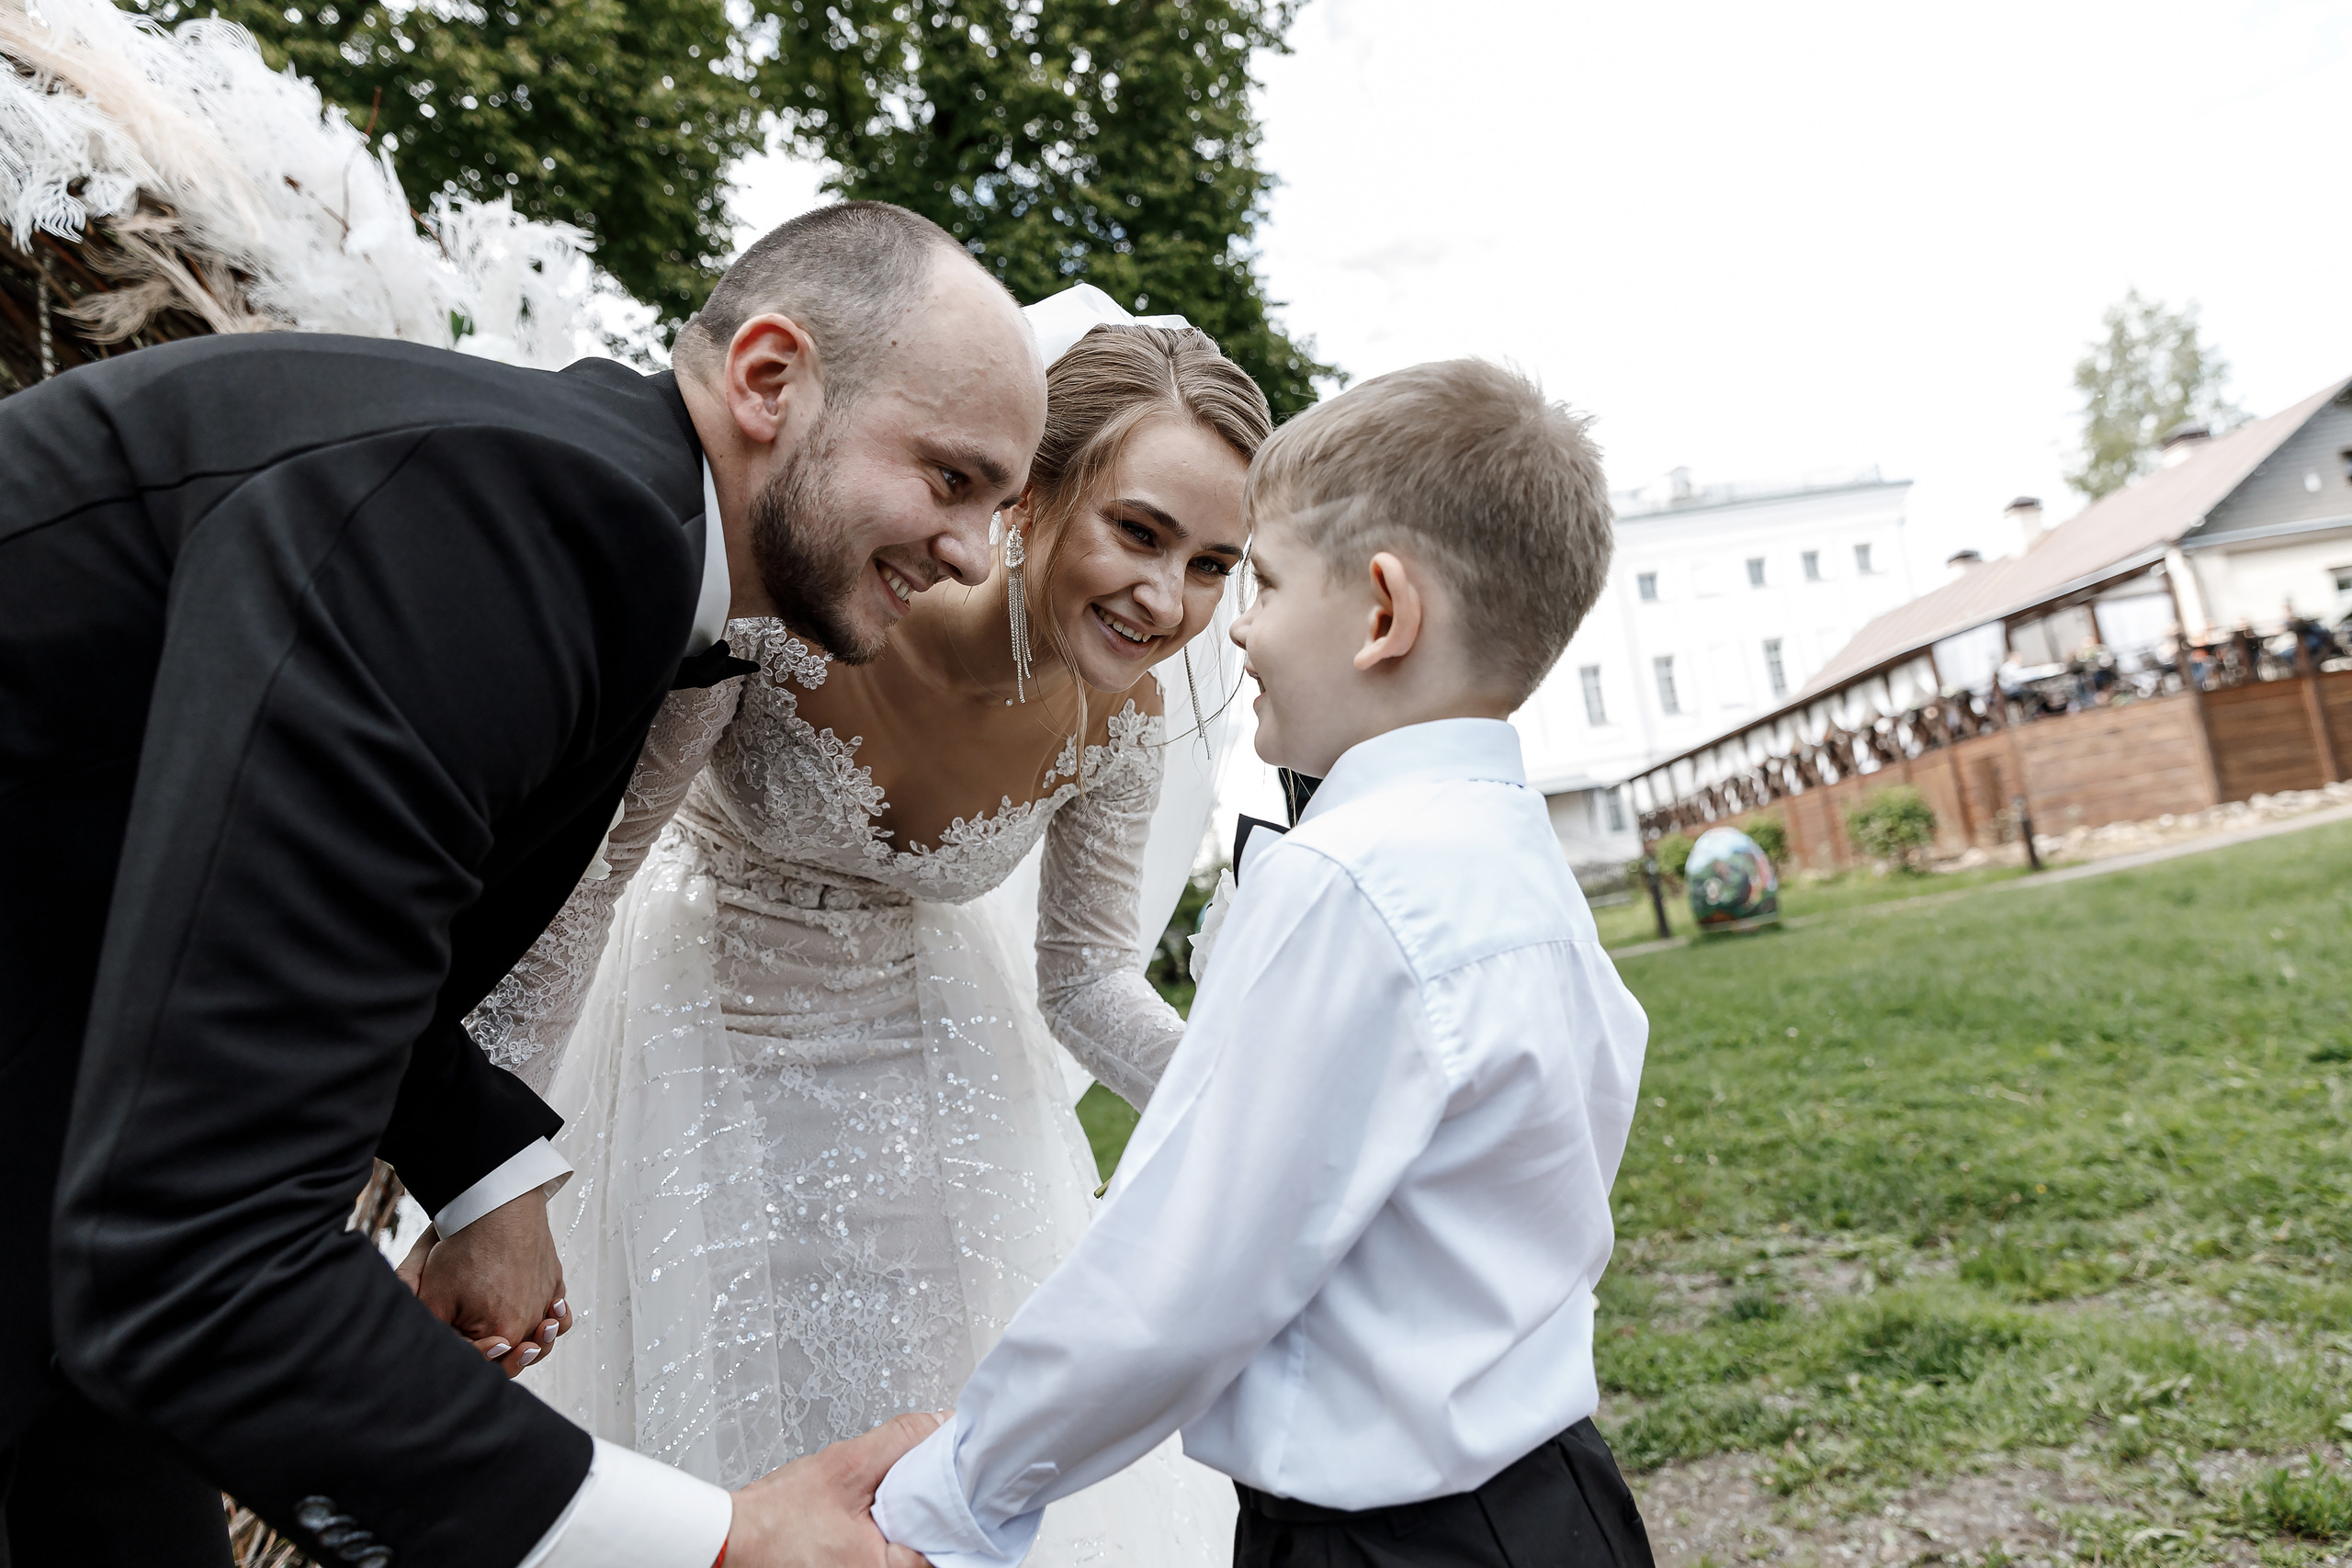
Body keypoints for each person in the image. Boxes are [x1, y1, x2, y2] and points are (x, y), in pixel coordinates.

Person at [0, 198, 1039, 1568]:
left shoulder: (598, 535)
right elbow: (201, 1258)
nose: (976, 551)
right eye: (953, 478)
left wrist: (483, 1166)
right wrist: (722, 1546)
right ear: (770, 380)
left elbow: (290, 912)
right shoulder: (511, 521)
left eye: (1002, 504)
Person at [474, 284, 1268, 1563]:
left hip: (934, 1081)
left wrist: (1251, 1109)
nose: (1169, 601)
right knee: (723, 1455)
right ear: (1029, 492)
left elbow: (1083, 980)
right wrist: (495, 1175)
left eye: (1214, 565)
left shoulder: (1121, 716)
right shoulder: (816, 607)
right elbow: (595, 876)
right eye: (1140, 531)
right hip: (689, 1042)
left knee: (934, 1460)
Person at [871, 359, 1657, 1568]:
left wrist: (945, 1499)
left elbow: (1178, 1277)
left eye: (1266, 580)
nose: (1232, 624)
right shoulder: (1516, 864)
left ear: (1385, 614)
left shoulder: (1348, 880)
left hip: (1388, 1545)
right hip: (1558, 1503)